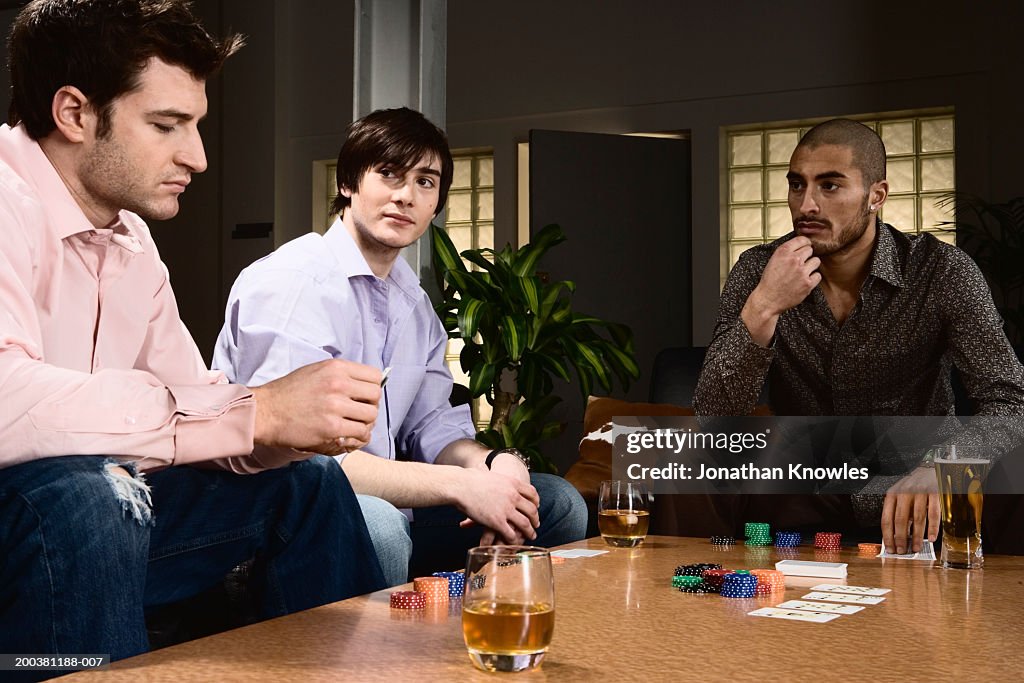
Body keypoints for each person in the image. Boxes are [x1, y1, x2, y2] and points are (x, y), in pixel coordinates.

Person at [0, 0, 385, 673]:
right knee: (95, 493)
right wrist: (254, 411)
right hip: (46, 523)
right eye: (167, 125)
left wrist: (278, 431)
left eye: (196, 126)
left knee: (309, 481)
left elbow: (194, 404)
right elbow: (6, 400)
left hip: (101, 523)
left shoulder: (133, 240)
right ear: (74, 113)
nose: (198, 157)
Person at [213, 107, 588, 586]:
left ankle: (482, 640)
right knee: (382, 527)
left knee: (553, 502)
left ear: (436, 205)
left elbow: (434, 428)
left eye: (425, 182)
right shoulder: (292, 282)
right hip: (283, 508)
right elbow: (311, 467)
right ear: (348, 183)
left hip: (384, 501)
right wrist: (464, 485)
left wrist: (495, 465)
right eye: (388, 173)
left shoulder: (412, 302)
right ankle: (384, 660)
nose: (406, 195)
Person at [694, 118, 1024, 555]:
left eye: (830, 186)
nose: (806, 204)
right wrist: (764, 306)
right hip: (803, 487)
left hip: (916, 482)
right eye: (797, 185)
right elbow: (714, 419)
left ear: (876, 195)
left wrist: (943, 467)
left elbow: (1011, 400)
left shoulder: (942, 270)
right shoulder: (759, 270)